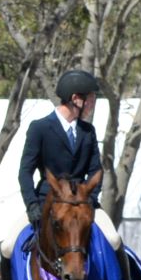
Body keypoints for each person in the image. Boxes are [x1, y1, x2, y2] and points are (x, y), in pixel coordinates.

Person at [18, 69, 103, 223]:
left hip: (82, 202)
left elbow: (95, 171)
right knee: (8, 246)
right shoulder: (39, 128)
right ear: (75, 98)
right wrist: (31, 204)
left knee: (114, 239)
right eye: (90, 100)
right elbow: (25, 171)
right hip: (47, 201)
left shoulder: (88, 131)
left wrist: (90, 198)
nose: (92, 105)